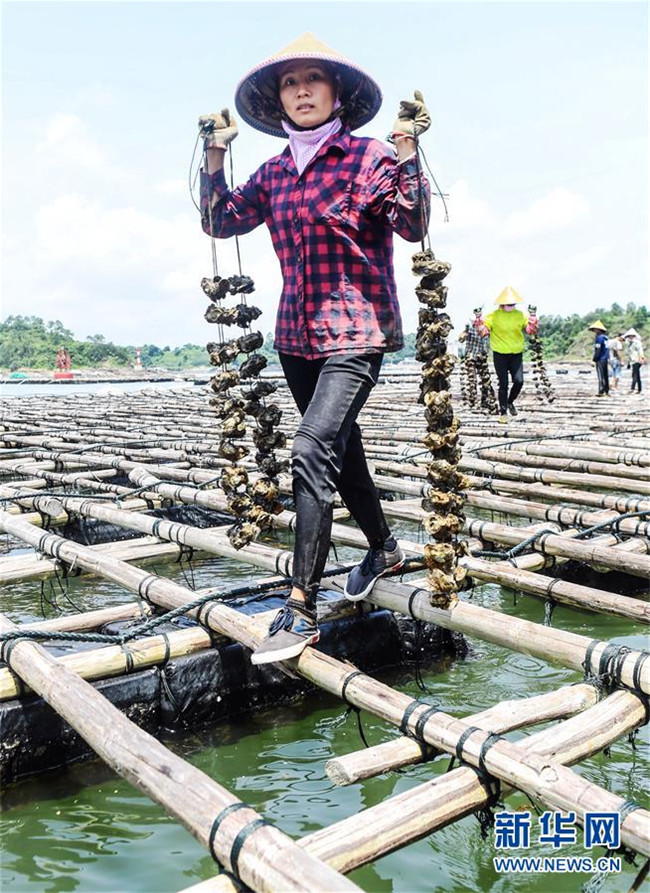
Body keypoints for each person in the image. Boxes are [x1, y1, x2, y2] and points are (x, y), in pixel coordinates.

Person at [198, 33, 431, 664]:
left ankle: (301, 606)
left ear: (336, 93)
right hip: (296, 338)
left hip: (357, 331)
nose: (301, 91)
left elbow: (412, 225)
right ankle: (383, 549)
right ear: (278, 100)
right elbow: (220, 220)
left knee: (309, 448)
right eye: (289, 83)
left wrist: (407, 150)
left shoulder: (367, 158)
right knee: (339, 448)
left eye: (312, 80)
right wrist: (214, 155)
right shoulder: (274, 172)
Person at [475, 287, 538, 423]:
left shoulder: (520, 315)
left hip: (516, 354)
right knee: (503, 384)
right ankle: (503, 413)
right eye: (508, 303)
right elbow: (483, 332)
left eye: (512, 303)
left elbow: (530, 330)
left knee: (519, 381)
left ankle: (510, 402)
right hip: (500, 354)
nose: (510, 306)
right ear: (502, 304)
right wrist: (478, 320)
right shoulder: (493, 316)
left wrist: (533, 317)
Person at [588, 320, 609, 396]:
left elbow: (598, 349)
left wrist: (594, 360)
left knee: (601, 375)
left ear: (598, 329)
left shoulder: (599, 338)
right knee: (605, 375)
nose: (594, 331)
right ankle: (606, 390)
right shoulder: (606, 338)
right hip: (605, 359)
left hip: (600, 359)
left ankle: (601, 390)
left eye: (595, 329)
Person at [623, 328, 645, 393]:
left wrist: (641, 358)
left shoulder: (637, 342)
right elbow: (630, 354)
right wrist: (628, 363)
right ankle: (639, 389)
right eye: (629, 336)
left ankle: (632, 388)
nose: (630, 337)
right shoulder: (630, 343)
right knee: (637, 375)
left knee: (634, 375)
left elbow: (640, 351)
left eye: (631, 336)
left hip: (637, 360)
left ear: (634, 336)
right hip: (633, 361)